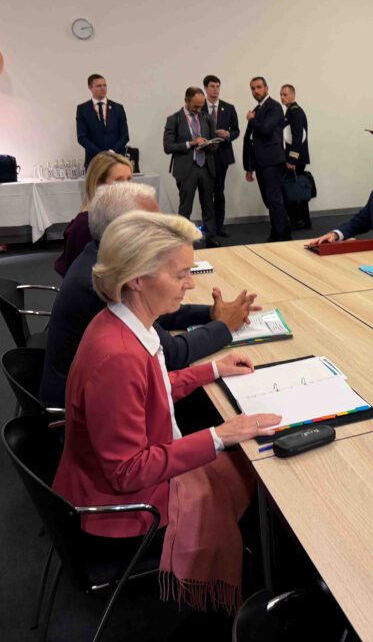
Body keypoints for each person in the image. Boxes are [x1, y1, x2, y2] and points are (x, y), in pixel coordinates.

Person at [51, 210, 280, 612]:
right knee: (257, 471)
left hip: (105, 484)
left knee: (245, 467)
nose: (190, 284)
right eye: (180, 275)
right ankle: (236, 603)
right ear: (136, 279)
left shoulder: (122, 322)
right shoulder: (119, 356)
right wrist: (219, 435)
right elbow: (128, 471)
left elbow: (149, 388)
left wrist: (212, 369)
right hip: (121, 511)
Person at [40, 182, 257, 407]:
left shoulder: (100, 259)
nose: (163, 232)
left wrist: (210, 314)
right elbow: (172, 354)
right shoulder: (104, 284)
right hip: (81, 408)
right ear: (124, 231)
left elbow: (156, 314)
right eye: (153, 225)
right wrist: (224, 325)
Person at [54, 151, 133, 277]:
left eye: (129, 179)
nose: (128, 186)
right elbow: (83, 276)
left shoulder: (120, 216)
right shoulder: (85, 225)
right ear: (99, 184)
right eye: (119, 180)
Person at [164, 86, 220, 247]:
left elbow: (214, 143)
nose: (198, 110)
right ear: (186, 101)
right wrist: (191, 143)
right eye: (195, 106)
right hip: (186, 169)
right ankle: (183, 241)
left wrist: (211, 144)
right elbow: (168, 147)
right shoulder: (174, 119)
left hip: (206, 167)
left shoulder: (206, 117)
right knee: (185, 207)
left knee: (208, 205)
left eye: (201, 106)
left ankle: (210, 237)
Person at [243, 77, 291, 242]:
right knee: (269, 201)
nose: (255, 91)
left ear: (266, 88)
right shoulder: (257, 108)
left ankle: (282, 237)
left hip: (272, 161)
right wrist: (249, 166)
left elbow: (266, 129)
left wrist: (251, 119)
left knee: (274, 200)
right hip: (260, 162)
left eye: (258, 87)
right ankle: (277, 233)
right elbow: (249, 139)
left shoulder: (274, 106)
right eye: (253, 88)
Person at [203, 75, 241, 238]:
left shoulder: (228, 108)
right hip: (204, 155)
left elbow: (236, 131)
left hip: (222, 155)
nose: (215, 89)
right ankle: (208, 226)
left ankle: (219, 225)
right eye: (212, 86)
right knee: (206, 192)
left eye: (218, 86)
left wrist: (228, 134)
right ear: (206, 88)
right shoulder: (199, 107)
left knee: (219, 191)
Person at [76, 74, 129, 169]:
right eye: (98, 86)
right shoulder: (83, 109)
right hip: (94, 161)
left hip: (116, 160)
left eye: (104, 85)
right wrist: (101, 154)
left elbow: (124, 136)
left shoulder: (118, 108)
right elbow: (82, 137)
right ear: (90, 87)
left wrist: (111, 152)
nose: (103, 88)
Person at [280, 84, 312, 230]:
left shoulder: (295, 112)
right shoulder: (290, 111)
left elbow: (297, 137)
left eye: (285, 94)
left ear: (293, 95)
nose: (282, 97)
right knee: (295, 188)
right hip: (296, 157)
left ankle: (300, 220)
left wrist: (292, 159)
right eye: (281, 94)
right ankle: (301, 220)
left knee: (293, 188)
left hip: (296, 159)